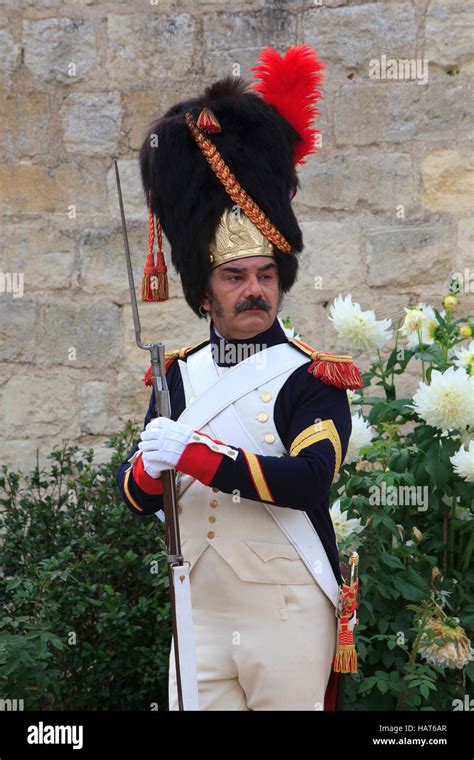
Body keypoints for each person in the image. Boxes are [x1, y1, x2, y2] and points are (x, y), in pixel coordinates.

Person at [116, 44, 363, 711]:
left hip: (285, 610)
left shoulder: (312, 377)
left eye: (265, 275)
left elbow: (310, 479)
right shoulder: (177, 375)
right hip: (197, 611)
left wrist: (196, 455)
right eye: (234, 277)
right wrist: (146, 472)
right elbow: (136, 497)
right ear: (205, 292)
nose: (254, 290)